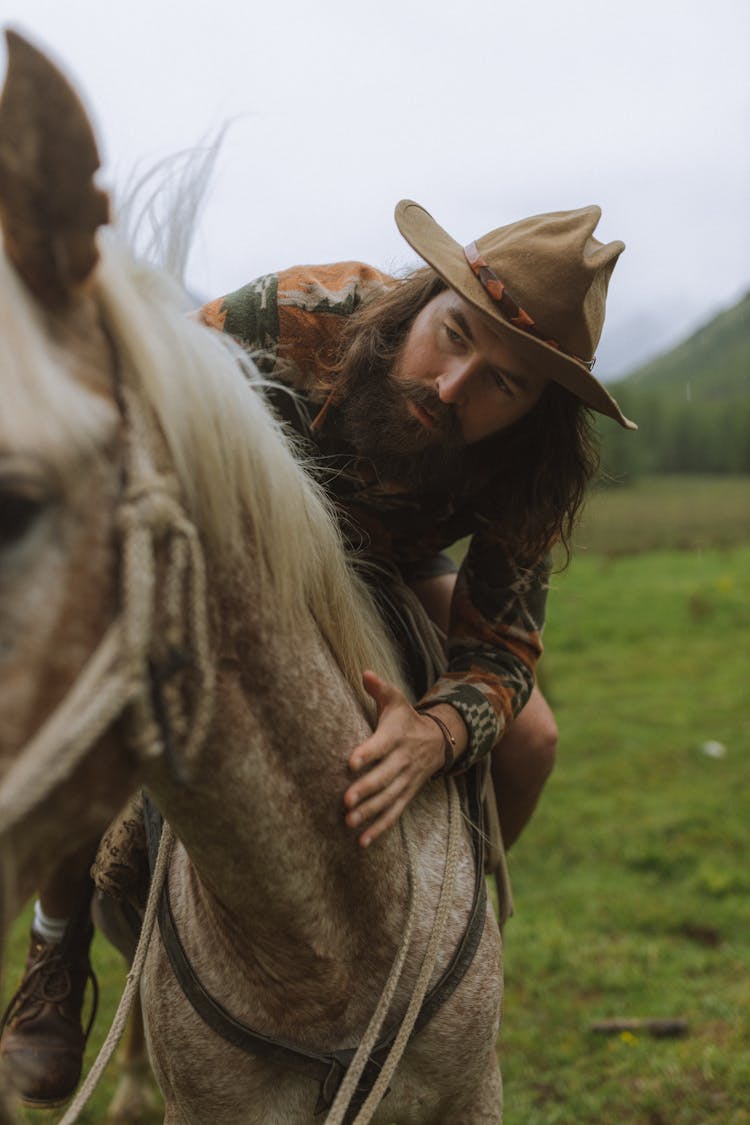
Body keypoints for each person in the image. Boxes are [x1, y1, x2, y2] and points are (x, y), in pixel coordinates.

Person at [0, 199, 635, 1106]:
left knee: (531, 740)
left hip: (396, 567)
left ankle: (450, 940)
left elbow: (501, 650)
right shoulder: (293, 313)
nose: (455, 387)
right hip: (243, 553)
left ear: (538, 406)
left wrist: (434, 733)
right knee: (114, 683)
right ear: (425, 298)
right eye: (453, 335)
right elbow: (138, 398)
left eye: (504, 383)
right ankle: (55, 953)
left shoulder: (531, 468)